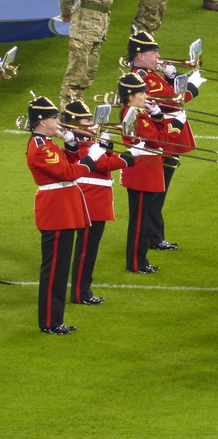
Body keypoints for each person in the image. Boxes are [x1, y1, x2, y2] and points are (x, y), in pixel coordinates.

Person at [26, 96, 106, 335]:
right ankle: (50, 322)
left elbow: (69, 159)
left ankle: (55, 320)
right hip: (56, 210)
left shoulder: (48, 143)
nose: (58, 122)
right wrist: (93, 158)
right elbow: (68, 172)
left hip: (63, 208)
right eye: (53, 118)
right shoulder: (40, 147)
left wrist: (71, 143)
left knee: (60, 268)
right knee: (55, 270)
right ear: (41, 121)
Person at [128, 31, 206, 251]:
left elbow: (171, 93)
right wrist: (193, 85)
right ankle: (152, 237)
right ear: (140, 55)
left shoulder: (150, 75)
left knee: (160, 190)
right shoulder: (142, 79)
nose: (157, 57)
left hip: (168, 135)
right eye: (153, 53)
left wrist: (173, 76)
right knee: (157, 191)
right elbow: (174, 101)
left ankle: (153, 235)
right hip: (163, 136)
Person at [60, 101, 137, 305]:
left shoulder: (86, 138)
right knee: (86, 249)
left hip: (96, 197)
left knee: (89, 248)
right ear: (74, 123)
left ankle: (82, 290)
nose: (92, 123)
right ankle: (80, 293)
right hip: (89, 198)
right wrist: (130, 157)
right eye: (87, 120)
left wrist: (106, 143)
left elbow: (105, 156)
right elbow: (100, 163)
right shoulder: (77, 141)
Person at [118, 72, 187, 273]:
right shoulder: (135, 114)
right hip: (142, 171)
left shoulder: (138, 112)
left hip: (146, 169)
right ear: (131, 96)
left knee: (142, 217)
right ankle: (136, 262)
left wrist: (157, 115)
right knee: (139, 220)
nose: (146, 96)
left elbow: (154, 135)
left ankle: (140, 260)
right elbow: (159, 141)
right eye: (142, 93)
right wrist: (176, 125)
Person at [59, 0, 114, 108]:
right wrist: (66, 14)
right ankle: (68, 112)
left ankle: (79, 108)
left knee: (88, 75)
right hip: (84, 28)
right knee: (75, 75)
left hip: (98, 28)